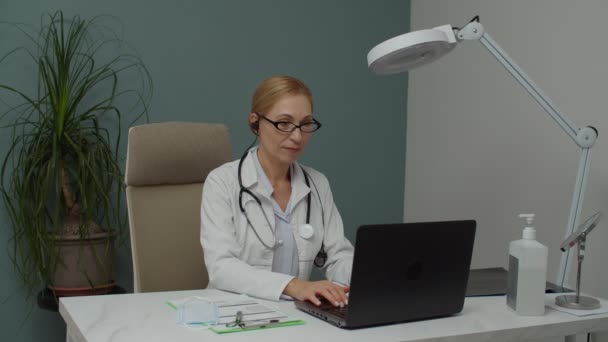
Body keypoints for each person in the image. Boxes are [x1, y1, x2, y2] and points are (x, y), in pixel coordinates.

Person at [200, 75, 353, 307]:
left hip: (292, 316)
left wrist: (361, 279)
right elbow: (222, 266)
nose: (297, 136)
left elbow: (338, 255)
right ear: (256, 123)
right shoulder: (222, 181)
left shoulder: (317, 183)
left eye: (305, 124)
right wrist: (295, 285)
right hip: (232, 314)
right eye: (284, 123)